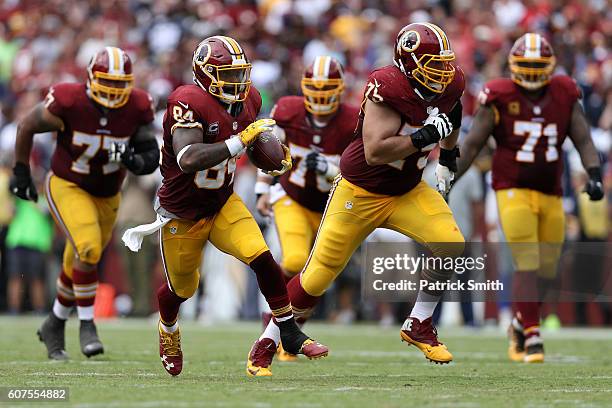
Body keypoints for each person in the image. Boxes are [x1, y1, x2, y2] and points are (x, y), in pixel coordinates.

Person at [255, 22, 466, 370]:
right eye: (433, 66)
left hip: (407, 188)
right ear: (409, 64)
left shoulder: (450, 81)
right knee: (316, 276)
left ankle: (419, 323)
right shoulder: (387, 86)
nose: (443, 73)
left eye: (445, 64)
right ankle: (265, 344)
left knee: (451, 244)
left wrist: (447, 155)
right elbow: (376, 151)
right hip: (361, 190)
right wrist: (424, 136)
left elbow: (452, 111)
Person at [122, 36, 328, 377]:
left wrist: (273, 160)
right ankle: (168, 329)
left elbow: (255, 140)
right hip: (183, 212)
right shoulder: (186, 101)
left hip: (222, 203)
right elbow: (188, 158)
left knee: (262, 257)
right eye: (228, 75)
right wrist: (238, 143)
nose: (237, 82)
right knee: (181, 289)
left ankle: (288, 331)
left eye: (239, 74)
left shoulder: (250, 100)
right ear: (205, 74)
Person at [456, 33, 603, 363]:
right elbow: (475, 143)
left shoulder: (564, 93)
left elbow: (582, 136)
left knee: (548, 270)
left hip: (551, 191)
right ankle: (533, 337)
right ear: (513, 66)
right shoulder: (499, 94)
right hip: (511, 187)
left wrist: (593, 172)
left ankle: (521, 322)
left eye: (539, 66)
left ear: (550, 67)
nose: (534, 73)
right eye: (527, 66)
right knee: (526, 259)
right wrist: (451, 178)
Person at [10, 47, 160, 360]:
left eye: (121, 83)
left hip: (107, 193)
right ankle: (87, 324)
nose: (116, 90)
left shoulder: (138, 106)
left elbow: (150, 158)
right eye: (109, 82)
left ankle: (54, 323)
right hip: (68, 184)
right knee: (89, 249)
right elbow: (27, 125)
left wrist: (133, 159)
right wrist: (22, 171)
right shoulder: (69, 100)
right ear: (92, 78)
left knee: (76, 261)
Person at [255, 56, 358, 361]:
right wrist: (263, 188)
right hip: (293, 199)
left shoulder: (352, 120)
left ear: (339, 90)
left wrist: (330, 168)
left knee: (318, 277)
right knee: (297, 259)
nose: (321, 96)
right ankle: (276, 320)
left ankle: (291, 329)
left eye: (327, 89)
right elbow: (267, 150)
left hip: (331, 205)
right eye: (316, 88)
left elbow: (362, 167)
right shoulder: (288, 110)